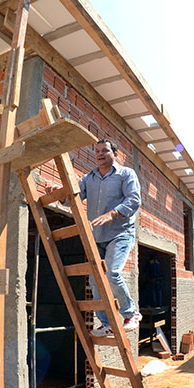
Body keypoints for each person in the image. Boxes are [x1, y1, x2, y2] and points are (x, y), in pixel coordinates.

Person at [57, 139, 142, 337]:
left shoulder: (126, 174)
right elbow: (73, 198)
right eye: (97, 151)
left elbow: (134, 200)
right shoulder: (89, 178)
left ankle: (132, 313)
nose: (100, 154)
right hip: (98, 236)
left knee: (112, 272)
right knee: (95, 280)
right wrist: (59, 195)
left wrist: (111, 214)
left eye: (104, 150)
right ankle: (106, 324)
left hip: (120, 233)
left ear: (115, 154)